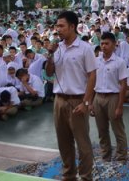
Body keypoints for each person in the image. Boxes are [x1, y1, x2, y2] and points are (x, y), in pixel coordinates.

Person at [46, 11, 97, 181]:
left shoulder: (85, 48)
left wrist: (86, 102)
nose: (57, 29)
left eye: (61, 26)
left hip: (78, 100)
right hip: (59, 100)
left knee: (83, 144)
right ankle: (69, 176)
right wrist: (50, 55)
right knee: (64, 142)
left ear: (72, 26)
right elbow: (49, 72)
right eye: (56, 26)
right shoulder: (57, 48)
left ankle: (85, 176)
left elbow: (92, 76)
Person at [91, 32, 128, 162]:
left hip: (113, 97)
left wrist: (120, 106)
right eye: (102, 43)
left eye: (107, 43)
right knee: (102, 130)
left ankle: (121, 156)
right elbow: (91, 82)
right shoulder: (95, 61)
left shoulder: (120, 62)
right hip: (98, 97)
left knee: (118, 129)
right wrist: (90, 102)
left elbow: (123, 85)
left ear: (114, 45)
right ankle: (105, 156)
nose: (104, 46)